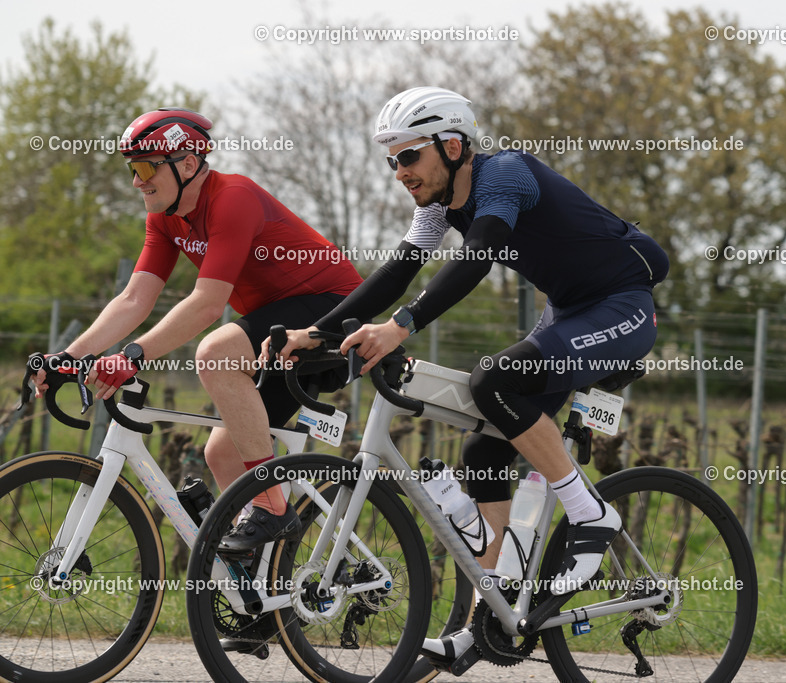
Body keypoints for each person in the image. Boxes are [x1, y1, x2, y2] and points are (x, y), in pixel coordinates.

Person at [273, 87, 669, 671]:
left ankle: (592, 515)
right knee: (484, 446)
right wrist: (316, 333)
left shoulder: (504, 175)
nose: (399, 172)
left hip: (621, 305)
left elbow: (478, 256)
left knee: (494, 382)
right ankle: (484, 620)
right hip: (568, 311)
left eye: (409, 156)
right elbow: (400, 270)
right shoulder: (437, 205)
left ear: (452, 145)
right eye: (391, 160)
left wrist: (401, 327)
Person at [34, 107, 363, 555]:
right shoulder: (165, 216)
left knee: (215, 354)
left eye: (147, 167)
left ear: (188, 164)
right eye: (133, 168)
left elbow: (207, 304)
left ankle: (273, 510)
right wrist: (69, 357)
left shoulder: (233, 198)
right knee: (223, 455)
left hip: (331, 312)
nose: (137, 181)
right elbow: (134, 299)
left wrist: (132, 355)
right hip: (275, 325)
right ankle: (264, 592)